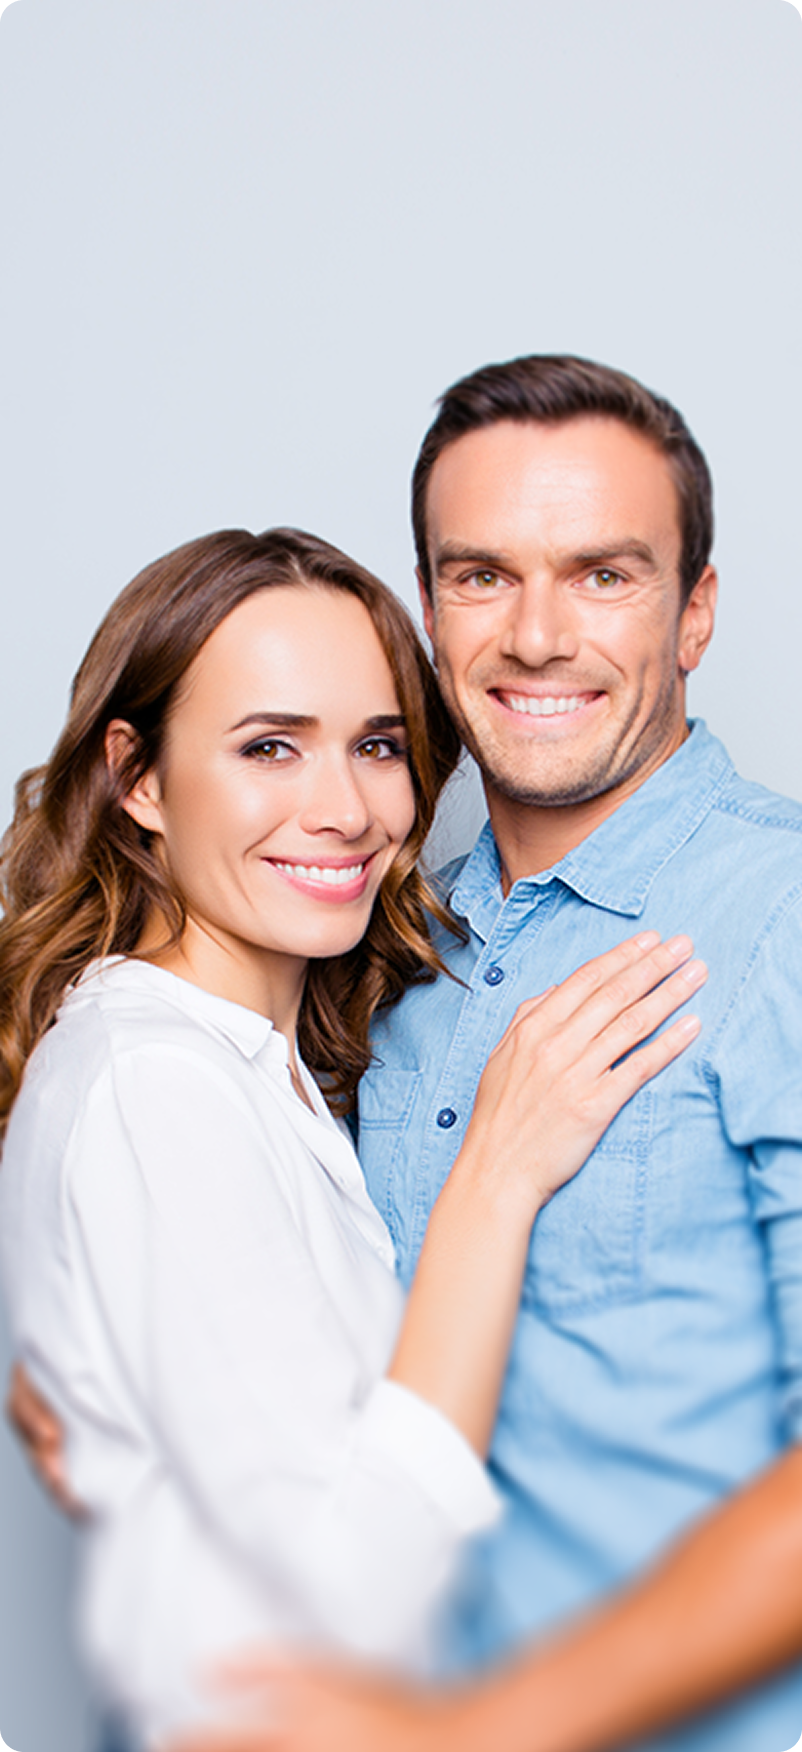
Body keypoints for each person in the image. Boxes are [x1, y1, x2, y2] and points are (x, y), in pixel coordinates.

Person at [164, 357, 802, 1752]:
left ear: (695, 611)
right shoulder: (375, 946)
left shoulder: (782, 918)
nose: (535, 636)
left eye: (603, 575)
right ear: (428, 607)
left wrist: (477, 1729)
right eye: (481, 576)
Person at [0, 526, 700, 1750]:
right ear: (139, 778)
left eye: (376, 746)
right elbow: (349, 1599)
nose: (344, 811)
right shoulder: (154, 1086)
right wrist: (497, 1174)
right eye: (269, 746)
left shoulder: (255, 1067)